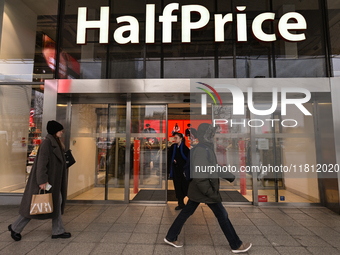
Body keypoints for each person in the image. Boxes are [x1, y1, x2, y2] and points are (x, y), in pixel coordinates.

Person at [164, 123, 252, 253]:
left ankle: (170, 237)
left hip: (198, 190)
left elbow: (213, 167)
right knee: (222, 215)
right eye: (211, 134)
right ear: (206, 135)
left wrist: (230, 177)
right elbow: (200, 176)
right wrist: (211, 193)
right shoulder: (201, 150)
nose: (213, 136)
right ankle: (236, 245)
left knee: (186, 213)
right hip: (204, 190)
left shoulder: (206, 148)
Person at [8, 120, 71, 241]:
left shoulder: (55, 143)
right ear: (54, 131)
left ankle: (58, 231)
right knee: (34, 208)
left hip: (53, 181)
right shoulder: (47, 144)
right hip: (45, 182)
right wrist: (42, 181)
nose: (62, 132)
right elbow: (41, 164)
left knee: (56, 202)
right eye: (60, 130)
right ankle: (15, 227)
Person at [167, 132, 190, 210]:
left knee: (185, 186)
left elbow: (188, 159)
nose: (175, 139)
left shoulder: (185, 148)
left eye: (176, 138)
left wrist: (179, 162)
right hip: (176, 171)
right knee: (177, 187)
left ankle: (190, 202)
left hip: (183, 172)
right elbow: (169, 156)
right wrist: (172, 160)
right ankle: (180, 203)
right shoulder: (173, 147)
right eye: (174, 138)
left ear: (181, 139)